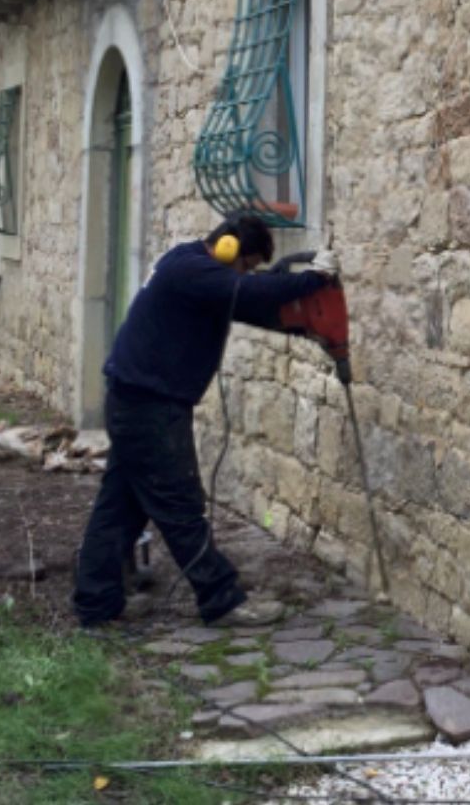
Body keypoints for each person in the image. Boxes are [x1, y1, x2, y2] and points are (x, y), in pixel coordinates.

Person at [72, 213, 336, 628]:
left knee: (120, 506)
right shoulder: (192, 269)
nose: (247, 272)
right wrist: (314, 278)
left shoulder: (191, 267)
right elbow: (244, 290)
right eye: (247, 263)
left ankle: (97, 601)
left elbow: (247, 299)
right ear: (229, 247)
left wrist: (301, 324)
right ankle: (221, 598)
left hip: (136, 401)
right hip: (148, 408)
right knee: (180, 504)